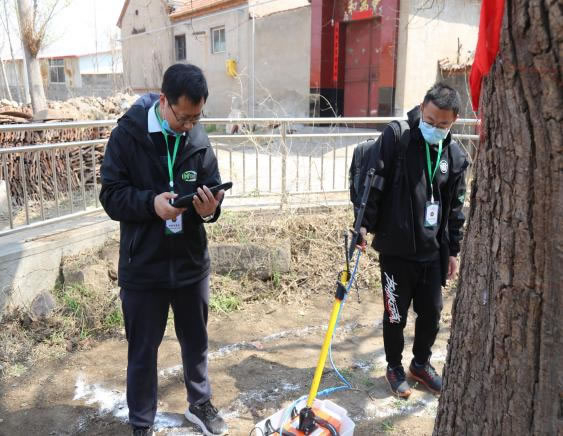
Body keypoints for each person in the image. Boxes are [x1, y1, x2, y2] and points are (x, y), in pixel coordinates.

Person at [100, 63, 228, 436]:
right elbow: (110, 195)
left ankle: (199, 404)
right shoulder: (127, 136)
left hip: (190, 263)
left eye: (197, 117)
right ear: (163, 101)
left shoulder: (198, 138)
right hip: (144, 267)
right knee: (142, 351)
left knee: (197, 342)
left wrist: (210, 209)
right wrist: (150, 204)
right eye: (184, 117)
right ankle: (142, 421)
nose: (189, 125)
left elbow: (213, 187)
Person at [356, 82, 469, 398]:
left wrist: (453, 251)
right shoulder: (398, 137)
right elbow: (373, 183)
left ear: (454, 121)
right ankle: (394, 367)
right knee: (395, 313)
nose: (434, 128)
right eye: (430, 121)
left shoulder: (455, 156)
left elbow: (455, 208)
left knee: (432, 312)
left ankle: (420, 364)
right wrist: (362, 226)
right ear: (422, 109)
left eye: (442, 125)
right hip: (395, 249)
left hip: (432, 253)